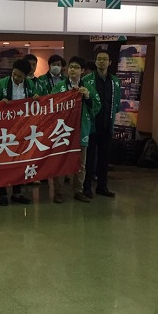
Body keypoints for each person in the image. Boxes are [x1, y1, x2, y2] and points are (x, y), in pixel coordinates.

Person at [0, 58, 39, 206]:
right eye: (14, 74)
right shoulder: (2, 84)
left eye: (20, 76)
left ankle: (17, 192)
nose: (16, 78)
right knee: (3, 160)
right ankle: (2, 193)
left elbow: (39, 101)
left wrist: (36, 98)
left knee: (19, 160)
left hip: (22, 129)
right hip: (4, 129)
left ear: (25, 76)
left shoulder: (30, 85)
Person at [52, 57, 100, 203]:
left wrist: (87, 97)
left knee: (81, 163)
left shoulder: (88, 87)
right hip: (63, 130)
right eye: (71, 67)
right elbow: (50, 105)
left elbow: (97, 106)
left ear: (82, 71)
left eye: (76, 67)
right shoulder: (60, 86)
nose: (73, 70)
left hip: (81, 129)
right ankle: (58, 192)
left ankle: (78, 190)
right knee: (60, 161)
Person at [82, 51, 120, 198]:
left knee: (104, 157)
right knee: (90, 158)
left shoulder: (115, 81)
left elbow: (117, 103)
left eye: (105, 59)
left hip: (107, 124)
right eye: (99, 59)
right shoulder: (87, 80)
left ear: (110, 62)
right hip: (92, 125)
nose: (102, 61)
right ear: (95, 62)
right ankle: (86, 187)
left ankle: (102, 186)